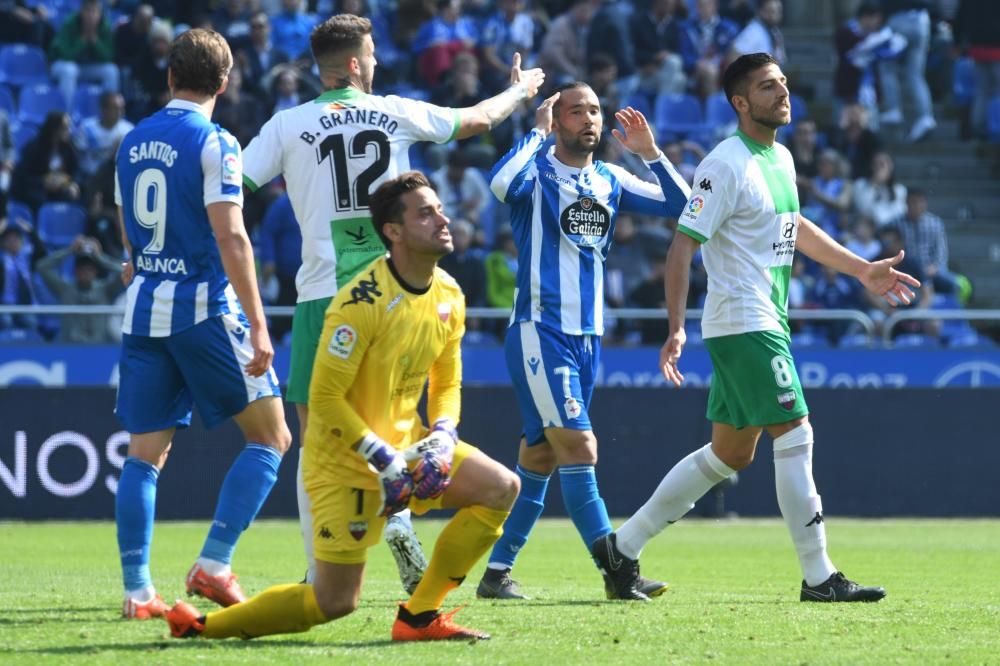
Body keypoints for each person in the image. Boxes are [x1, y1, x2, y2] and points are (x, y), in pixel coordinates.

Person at [593, 53, 918, 603]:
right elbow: (681, 247)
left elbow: (794, 227)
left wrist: (861, 268)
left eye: (784, 83)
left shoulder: (781, 158)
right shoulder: (724, 164)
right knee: (796, 432)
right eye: (769, 87)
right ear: (741, 102)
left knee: (730, 455)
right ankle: (820, 577)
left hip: (761, 319)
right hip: (745, 321)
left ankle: (621, 548)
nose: (783, 93)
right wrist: (675, 327)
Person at [239, 13, 544, 592]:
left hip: (324, 296)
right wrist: (521, 90)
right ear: (355, 64)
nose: (376, 64)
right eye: (372, 56)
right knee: (397, 418)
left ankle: (317, 571)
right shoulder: (394, 112)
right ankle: (400, 518)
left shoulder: (288, 125)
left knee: (319, 436)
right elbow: (477, 119)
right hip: (393, 290)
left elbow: (234, 191)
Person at [165, 171, 519, 642]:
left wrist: (443, 433)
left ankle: (418, 617)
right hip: (344, 465)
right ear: (393, 232)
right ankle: (201, 627)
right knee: (333, 602)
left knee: (500, 488)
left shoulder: (450, 294)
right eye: (425, 212)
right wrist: (382, 457)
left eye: (439, 209)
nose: (442, 219)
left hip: (407, 450)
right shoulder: (358, 302)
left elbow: (447, 380)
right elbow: (324, 400)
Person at [474, 83, 689, 601]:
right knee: (581, 446)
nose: (589, 119)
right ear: (558, 120)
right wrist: (535, 129)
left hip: (588, 337)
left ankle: (496, 572)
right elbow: (500, 185)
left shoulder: (611, 178)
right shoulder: (538, 172)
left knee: (543, 457)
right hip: (540, 330)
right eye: (576, 111)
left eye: (594, 110)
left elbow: (684, 206)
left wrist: (651, 154)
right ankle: (617, 569)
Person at [112, 28, 292, 621]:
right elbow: (231, 234)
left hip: (143, 311)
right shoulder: (216, 141)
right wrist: (260, 327)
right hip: (202, 310)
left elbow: (129, 239)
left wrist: (140, 261)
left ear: (169, 77)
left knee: (144, 456)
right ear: (225, 81)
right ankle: (213, 564)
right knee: (271, 437)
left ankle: (138, 593)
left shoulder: (131, 141)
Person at [35, 234, 123, 343]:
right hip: (71, 348)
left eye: (89, 269)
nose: (86, 273)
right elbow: (42, 267)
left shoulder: (105, 289)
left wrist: (100, 257)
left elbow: (124, 272)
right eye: (82, 269)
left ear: (95, 272)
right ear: (76, 272)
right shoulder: (64, 289)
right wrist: (69, 251)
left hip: (99, 348)